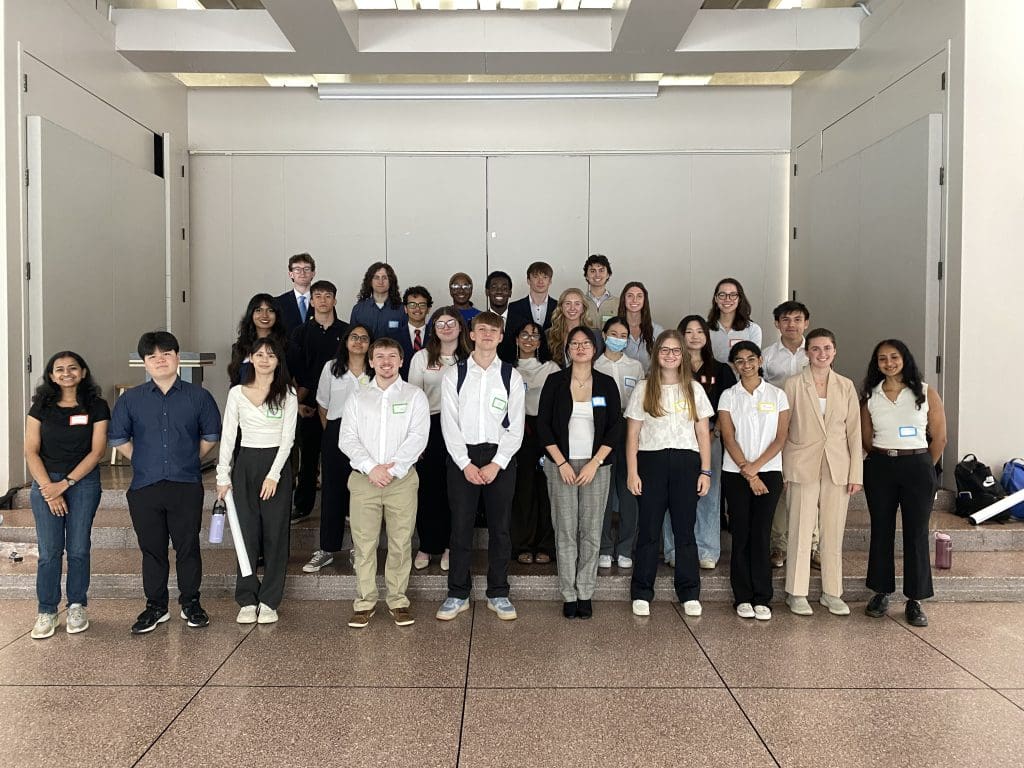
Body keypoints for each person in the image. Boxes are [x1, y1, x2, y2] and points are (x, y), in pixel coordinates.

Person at [109, 331, 222, 634]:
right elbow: (119, 437)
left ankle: (191, 603)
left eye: (166, 353)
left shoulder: (198, 396)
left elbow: (210, 436)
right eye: (152, 356)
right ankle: (156, 607)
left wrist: (186, 459)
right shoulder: (131, 399)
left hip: (185, 483)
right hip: (145, 486)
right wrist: (143, 461)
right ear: (144, 362)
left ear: (177, 357)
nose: (160, 360)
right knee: (152, 549)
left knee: (187, 546)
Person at [437, 312, 525, 622]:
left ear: (502, 337)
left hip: (500, 457)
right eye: (482, 329)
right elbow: (449, 423)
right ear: (471, 334)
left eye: (494, 330)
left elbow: (516, 427)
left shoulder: (510, 376)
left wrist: (497, 464)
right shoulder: (455, 375)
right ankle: (458, 593)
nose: (487, 334)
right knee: (460, 528)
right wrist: (465, 463)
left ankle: (498, 592)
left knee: (500, 529)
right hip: (463, 456)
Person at [340, 338, 430, 628]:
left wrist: (393, 469)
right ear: (371, 361)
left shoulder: (415, 395)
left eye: (392, 356)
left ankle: (397, 600)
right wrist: (371, 468)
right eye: (380, 357)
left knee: (400, 542)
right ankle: (365, 602)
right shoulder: (358, 397)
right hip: (364, 481)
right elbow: (348, 439)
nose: (386, 362)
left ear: (402, 361)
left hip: (401, 481)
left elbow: (418, 437)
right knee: (364, 545)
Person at [626, 330, 714, 618]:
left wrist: (705, 470)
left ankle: (689, 592)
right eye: (665, 350)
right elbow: (633, 435)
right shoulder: (644, 388)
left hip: (687, 464)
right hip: (650, 463)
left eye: (676, 351)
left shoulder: (694, 389)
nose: (670, 355)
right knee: (649, 531)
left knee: (684, 532)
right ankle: (641, 591)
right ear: (657, 354)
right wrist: (632, 472)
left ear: (683, 356)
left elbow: (703, 433)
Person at [861, 339, 947, 627]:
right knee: (881, 530)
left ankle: (916, 599)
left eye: (894, 357)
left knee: (916, 533)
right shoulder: (870, 395)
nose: (888, 363)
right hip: (882, 465)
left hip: (918, 466)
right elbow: (865, 437)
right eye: (882, 358)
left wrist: (924, 468)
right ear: (876, 364)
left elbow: (940, 436)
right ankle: (880, 592)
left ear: (904, 359)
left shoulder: (924, 392)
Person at [537, 326, 621, 619]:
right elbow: (543, 425)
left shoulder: (607, 384)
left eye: (586, 343)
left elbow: (615, 427)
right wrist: (560, 462)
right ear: (568, 349)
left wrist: (595, 462)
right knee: (565, 530)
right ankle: (568, 593)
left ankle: (585, 591)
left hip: (595, 466)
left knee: (591, 529)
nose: (581, 347)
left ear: (595, 348)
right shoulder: (555, 381)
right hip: (560, 464)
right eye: (575, 343)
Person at [24, 351, 109, 639]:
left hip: (82, 484)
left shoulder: (96, 406)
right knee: (49, 553)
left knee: (78, 549)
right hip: (46, 484)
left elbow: (97, 451)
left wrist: (67, 483)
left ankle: (76, 605)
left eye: (73, 368)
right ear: (51, 375)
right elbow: (30, 451)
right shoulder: (41, 407)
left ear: (83, 372)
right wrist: (50, 488)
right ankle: (47, 610)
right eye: (59, 369)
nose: (66, 373)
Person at [216, 338, 298, 625]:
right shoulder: (237, 393)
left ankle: (270, 599)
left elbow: (288, 440)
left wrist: (274, 474)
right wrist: (222, 476)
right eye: (259, 354)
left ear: (278, 361)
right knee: (246, 534)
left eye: (271, 355)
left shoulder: (287, 393)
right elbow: (228, 436)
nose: (265, 359)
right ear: (250, 358)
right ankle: (247, 598)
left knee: (275, 535)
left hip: (277, 465)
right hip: (246, 463)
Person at [782, 328, 862, 617]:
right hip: (802, 465)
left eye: (827, 348)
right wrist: (783, 469)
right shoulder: (792, 384)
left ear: (835, 351)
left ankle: (832, 592)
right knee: (801, 529)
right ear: (807, 352)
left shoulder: (846, 386)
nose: (821, 354)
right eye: (815, 349)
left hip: (837, 466)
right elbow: (783, 429)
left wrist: (856, 473)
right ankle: (797, 592)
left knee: (832, 532)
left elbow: (854, 432)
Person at [718, 341, 789, 621]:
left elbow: (781, 437)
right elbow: (728, 436)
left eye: (750, 359)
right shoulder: (728, 396)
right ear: (734, 364)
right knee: (741, 534)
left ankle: (763, 596)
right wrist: (748, 472)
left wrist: (756, 470)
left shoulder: (777, 395)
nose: (745, 365)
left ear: (760, 361)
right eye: (739, 360)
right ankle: (742, 596)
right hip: (735, 473)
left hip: (769, 472)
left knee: (761, 534)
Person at [663, 315, 736, 570]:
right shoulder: (671, 367)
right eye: (688, 331)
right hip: (674, 441)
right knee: (672, 497)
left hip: (710, 439)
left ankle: (707, 549)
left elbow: (729, 406)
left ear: (706, 337)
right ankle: (672, 549)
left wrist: (716, 432)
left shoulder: (721, 370)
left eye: (699, 331)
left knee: (708, 493)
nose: (694, 336)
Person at [302, 324, 372, 573]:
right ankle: (327, 549)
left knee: (362, 494)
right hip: (336, 434)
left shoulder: (375, 369)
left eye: (364, 338)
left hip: (368, 437)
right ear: (345, 341)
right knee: (332, 492)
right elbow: (323, 405)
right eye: (354, 337)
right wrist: (333, 434)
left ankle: (359, 549)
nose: (359, 342)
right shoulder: (331, 368)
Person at [408, 307, 471, 571]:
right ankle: (427, 546)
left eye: (451, 322)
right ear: (433, 328)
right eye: (440, 323)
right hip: (430, 427)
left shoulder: (471, 358)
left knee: (454, 491)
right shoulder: (421, 358)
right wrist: (416, 440)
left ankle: (449, 546)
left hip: (463, 428)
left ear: (460, 326)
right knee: (428, 489)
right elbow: (413, 398)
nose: (446, 327)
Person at [287, 280, 348, 524]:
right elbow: (292, 371)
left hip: (343, 406)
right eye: (318, 296)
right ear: (311, 301)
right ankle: (303, 506)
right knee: (309, 459)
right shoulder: (300, 333)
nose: (323, 300)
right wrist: (297, 403)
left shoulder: (346, 331)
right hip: (308, 406)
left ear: (334, 300)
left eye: (328, 295)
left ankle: (345, 508)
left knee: (342, 458)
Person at [761, 300, 814, 570]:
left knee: (810, 486)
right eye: (785, 319)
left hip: (811, 429)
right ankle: (778, 545)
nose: (791, 324)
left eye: (797, 319)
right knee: (780, 486)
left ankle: (813, 545)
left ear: (806, 322)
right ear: (776, 324)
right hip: (778, 429)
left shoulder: (815, 353)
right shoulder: (767, 356)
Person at [594, 316, 644, 570]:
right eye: (613, 333)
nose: (618, 339)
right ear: (604, 335)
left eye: (623, 335)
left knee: (628, 491)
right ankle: (603, 547)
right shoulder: (594, 364)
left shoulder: (635, 367)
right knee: (602, 492)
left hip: (630, 430)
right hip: (601, 431)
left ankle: (624, 548)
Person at [510, 320, 560, 565]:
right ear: (516, 339)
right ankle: (522, 544)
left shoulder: (551, 368)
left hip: (546, 433)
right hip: (518, 434)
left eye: (535, 336)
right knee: (523, 490)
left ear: (541, 342)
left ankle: (545, 545)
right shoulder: (507, 369)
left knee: (547, 490)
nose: (529, 339)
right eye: (524, 334)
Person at [227, 293, 290, 387]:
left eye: (270, 310)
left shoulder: (287, 346)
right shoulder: (239, 347)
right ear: (251, 314)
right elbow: (235, 381)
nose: (264, 315)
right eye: (258, 310)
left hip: (277, 399)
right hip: (243, 399)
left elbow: (296, 381)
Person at [707, 277, 762, 364]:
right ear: (716, 299)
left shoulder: (753, 329)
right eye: (722, 295)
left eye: (733, 295)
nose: (727, 299)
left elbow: (753, 362)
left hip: (741, 377)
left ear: (739, 299)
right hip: (712, 377)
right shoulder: (705, 329)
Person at [349, 262, 405, 340]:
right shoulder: (358, 310)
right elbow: (353, 338)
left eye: (384, 278)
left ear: (391, 281)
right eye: (376, 277)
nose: (380, 282)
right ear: (370, 281)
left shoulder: (402, 310)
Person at [387, 286, 433, 380]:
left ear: (428, 309)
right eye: (412, 305)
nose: (417, 309)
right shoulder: (392, 337)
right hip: (401, 388)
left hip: (430, 389)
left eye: (422, 305)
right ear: (405, 309)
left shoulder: (436, 335)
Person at [618, 281, 663, 372]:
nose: (634, 300)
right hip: (619, 382)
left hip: (649, 382)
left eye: (639, 296)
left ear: (644, 300)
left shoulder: (657, 331)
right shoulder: (614, 330)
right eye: (630, 296)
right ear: (624, 299)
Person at [547, 288, 596, 368]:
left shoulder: (595, 335)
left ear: (583, 308)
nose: (572, 308)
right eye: (568, 303)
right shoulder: (549, 334)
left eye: (577, 304)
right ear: (561, 307)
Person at [506, 261, 557, 337]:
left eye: (545, 277)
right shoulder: (514, 307)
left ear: (550, 281)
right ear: (528, 280)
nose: (540, 281)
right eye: (536, 277)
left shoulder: (558, 306)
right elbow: (510, 337)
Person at [274, 253, 316, 334]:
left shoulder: (323, 301)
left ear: (313, 273)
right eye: (297, 269)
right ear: (291, 274)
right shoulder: (279, 302)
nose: (302, 273)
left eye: (306, 269)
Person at [582, 254, 617, 329]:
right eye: (592, 271)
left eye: (601, 270)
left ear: (608, 274)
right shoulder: (580, 302)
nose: (597, 275)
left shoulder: (618, 303)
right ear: (586, 276)